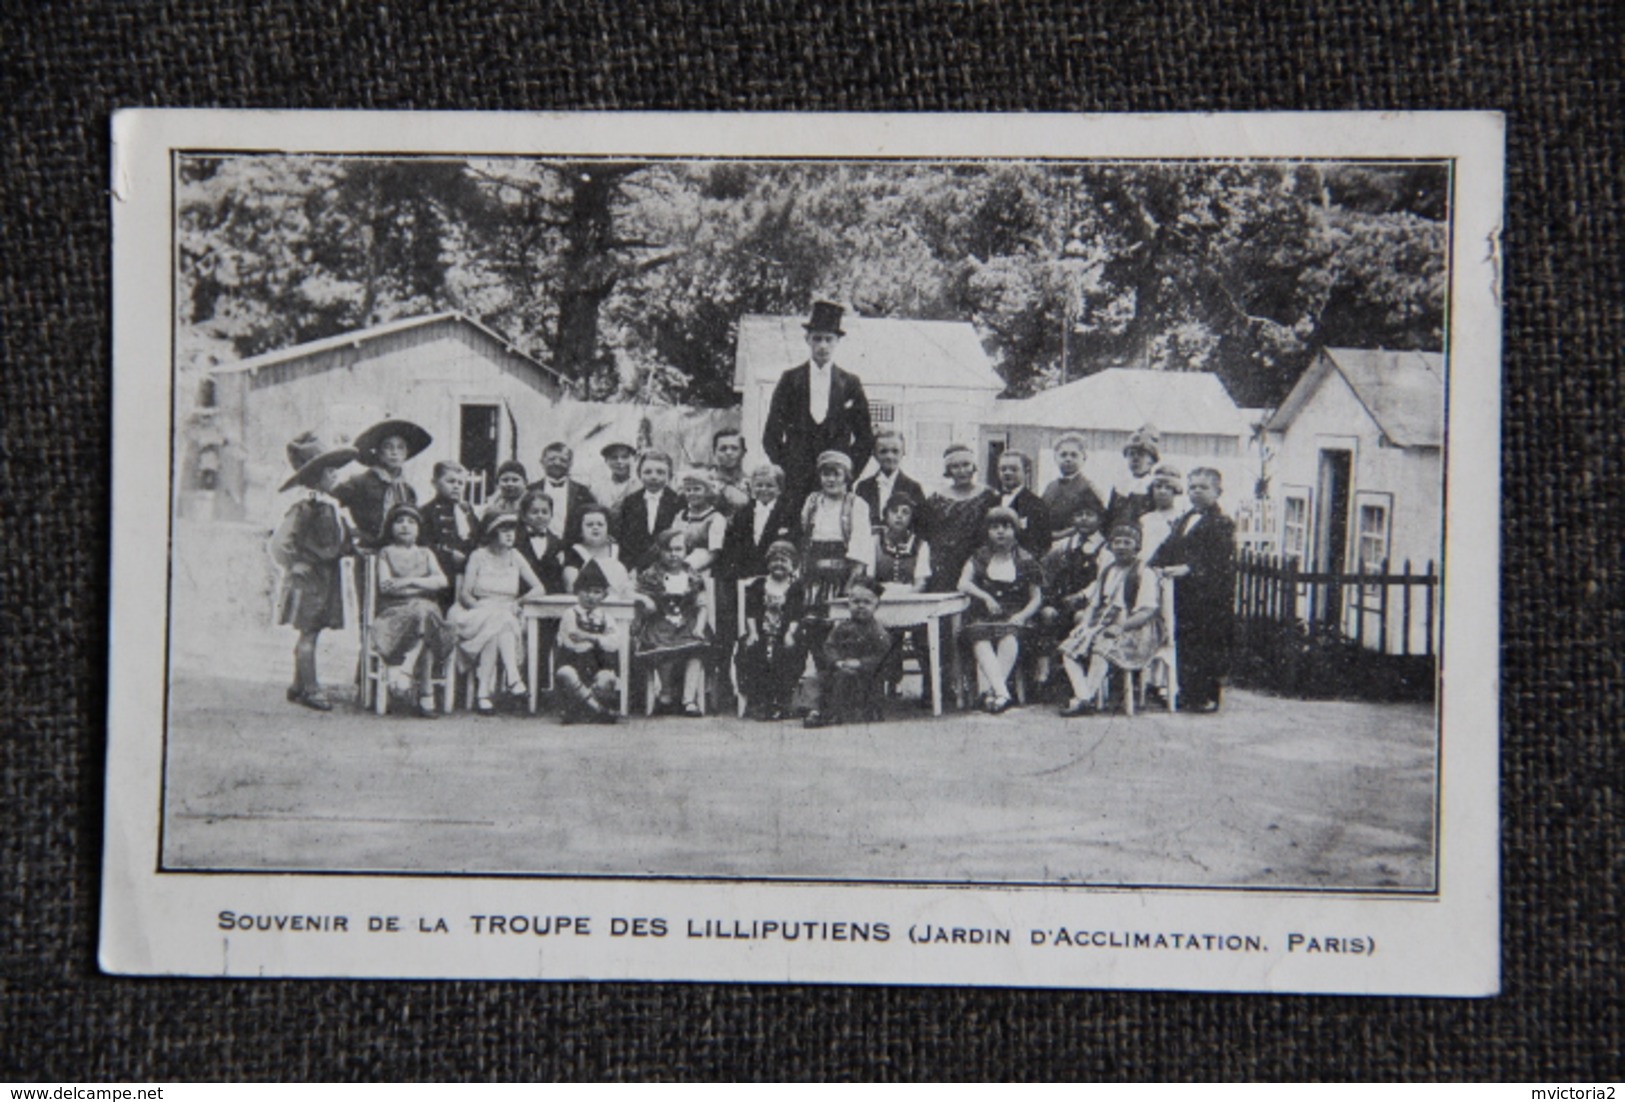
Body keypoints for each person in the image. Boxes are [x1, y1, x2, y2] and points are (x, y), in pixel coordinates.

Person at [271, 432, 357, 712]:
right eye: (330, 472)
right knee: (307, 633)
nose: (335, 477)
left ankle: (298, 684)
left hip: (326, 578)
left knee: (313, 631)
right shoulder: (305, 507)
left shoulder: (329, 507)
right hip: (308, 580)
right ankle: (310, 688)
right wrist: (294, 562)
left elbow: (339, 540)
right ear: (315, 477)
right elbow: (281, 542)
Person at [762, 300, 876, 507]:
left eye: (828, 339)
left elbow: (865, 438)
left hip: (836, 479)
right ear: (808, 340)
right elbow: (771, 434)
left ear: (837, 342)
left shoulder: (850, 383)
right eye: (817, 339)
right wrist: (786, 468)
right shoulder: (790, 380)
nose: (823, 345)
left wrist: (848, 471)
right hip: (795, 480)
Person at [1150, 467, 1237, 713]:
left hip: (1209, 595)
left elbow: (1219, 559)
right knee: (1185, 642)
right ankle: (1187, 692)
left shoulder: (1222, 523)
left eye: (1204, 487)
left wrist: (1189, 568)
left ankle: (1208, 696)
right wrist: (1153, 565)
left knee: (1206, 644)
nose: (1197, 492)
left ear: (1218, 492)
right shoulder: (1185, 518)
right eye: (1193, 487)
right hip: (1185, 593)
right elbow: (1169, 546)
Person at [1058, 523, 1164, 716]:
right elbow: (1094, 603)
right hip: (1104, 623)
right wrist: (1083, 625)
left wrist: (1121, 626)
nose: (1121, 547)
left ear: (1137, 546)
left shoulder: (1143, 573)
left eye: (1127, 542)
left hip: (1135, 628)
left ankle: (1084, 699)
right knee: (1069, 649)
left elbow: (1147, 611)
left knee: (1101, 650)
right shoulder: (1108, 571)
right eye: (1117, 542)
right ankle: (1084, 696)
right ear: (1110, 546)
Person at [369, 504, 455, 718]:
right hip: (395, 612)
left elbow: (442, 581)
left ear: (419, 528)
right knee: (425, 622)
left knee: (424, 615)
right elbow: (386, 585)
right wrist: (425, 583)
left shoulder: (425, 553)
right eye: (399, 522)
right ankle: (427, 696)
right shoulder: (386, 553)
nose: (405, 526)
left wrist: (408, 581)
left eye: (411, 522)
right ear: (391, 527)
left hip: (423, 612)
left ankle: (405, 670)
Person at [450, 512, 540, 715]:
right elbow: (465, 594)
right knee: (497, 619)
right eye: (504, 530)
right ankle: (514, 678)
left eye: (513, 530)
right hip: (476, 612)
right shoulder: (478, 556)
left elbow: (538, 588)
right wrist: (483, 609)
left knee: (498, 625)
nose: (510, 535)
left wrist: (519, 601)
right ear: (491, 532)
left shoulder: (515, 556)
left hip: (506, 613)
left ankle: (483, 695)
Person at [959, 506, 1045, 713]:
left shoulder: (1026, 560)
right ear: (987, 531)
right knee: (979, 635)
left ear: (1015, 531)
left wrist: (1022, 616)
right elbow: (962, 583)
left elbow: (1036, 598)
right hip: (985, 615)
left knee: (1009, 634)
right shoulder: (979, 557)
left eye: (1006, 527)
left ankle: (990, 693)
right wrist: (985, 596)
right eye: (994, 527)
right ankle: (1002, 693)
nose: (1000, 532)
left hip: (1015, 616)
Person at [797, 451, 875, 671]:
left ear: (846, 477)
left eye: (836, 474)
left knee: (841, 632)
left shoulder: (856, 504)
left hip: (842, 576)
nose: (830, 480)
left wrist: (852, 583)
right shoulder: (812, 502)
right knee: (813, 630)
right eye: (825, 474)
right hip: (814, 576)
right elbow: (805, 535)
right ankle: (821, 683)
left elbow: (860, 546)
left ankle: (840, 688)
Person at [633, 528, 712, 717]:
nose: (673, 554)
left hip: (688, 621)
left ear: (686, 551)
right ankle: (666, 694)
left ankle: (689, 699)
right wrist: (645, 599)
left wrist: (700, 626)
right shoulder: (651, 574)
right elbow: (630, 590)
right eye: (668, 549)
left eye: (678, 549)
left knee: (696, 649)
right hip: (661, 621)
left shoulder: (693, 575)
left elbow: (702, 604)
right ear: (659, 551)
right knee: (663, 648)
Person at [804, 581, 892, 729]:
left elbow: (881, 654)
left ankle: (831, 713)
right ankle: (814, 711)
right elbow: (829, 646)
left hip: (865, 676)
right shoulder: (842, 627)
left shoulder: (878, 631)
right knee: (813, 679)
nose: (861, 606)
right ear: (849, 604)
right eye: (856, 602)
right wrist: (836, 661)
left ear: (876, 606)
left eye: (867, 602)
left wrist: (861, 663)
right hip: (839, 667)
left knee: (845, 676)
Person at [870, 492, 932, 698]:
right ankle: (880, 688)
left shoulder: (921, 545)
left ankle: (929, 690)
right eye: (894, 512)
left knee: (923, 637)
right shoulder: (874, 542)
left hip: (910, 600)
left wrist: (907, 597)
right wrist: (884, 597)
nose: (899, 516)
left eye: (905, 512)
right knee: (881, 637)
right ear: (885, 515)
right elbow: (869, 578)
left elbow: (921, 581)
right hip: (882, 601)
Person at [735, 541, 806, 721]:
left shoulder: (796, 587)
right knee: (751, 652)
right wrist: (752, 633)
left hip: (785, 633)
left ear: (793, 565)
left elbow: (796, 614)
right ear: (768, 563)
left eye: (784, 561)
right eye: (775, 560)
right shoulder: (759, 585)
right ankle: (758, 701)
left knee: (788, 653)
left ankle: (780, 701)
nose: (779, 564)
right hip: (761, 632)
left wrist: (790, 634)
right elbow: (751, 612)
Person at [333, 419, 430, 549]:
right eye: (388, 447)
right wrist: (350, 533)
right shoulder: (361, 482)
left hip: (399, 551)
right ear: (378, 452)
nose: (394, 452)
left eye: (400, 447)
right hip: (370, 550)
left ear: (407, 453)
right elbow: (330, 502)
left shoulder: (407, 490)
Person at [553, 559, 623, 726]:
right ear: (577, 592)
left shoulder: (606, 617)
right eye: (586, 591)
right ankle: (597, 709)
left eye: (597, 592)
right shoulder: (570, 614)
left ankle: (577, 708)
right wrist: (600, 639)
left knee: (607, 677)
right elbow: (573, 642)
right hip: (573, 665)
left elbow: (614, 643)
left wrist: (589, 637)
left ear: (604, 595)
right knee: (566, 673)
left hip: (596, 667)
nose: (591, 596)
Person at [920, 444, 997, 595]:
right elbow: (927, 534)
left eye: (966, 465)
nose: (962, 471)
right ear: (948, 470)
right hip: (944, 565)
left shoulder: (989, 496)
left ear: (973, 466)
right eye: (955, 466)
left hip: (977, 563)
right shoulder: (936, 499)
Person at [717, 462, 801, 583]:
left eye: (769, 486)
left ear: (779, 489)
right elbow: (732, 546)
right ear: (752, 487)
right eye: (759, 485)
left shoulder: (788, 513)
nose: (764, 489)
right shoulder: (743, 513)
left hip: (776, 575)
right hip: (745, 575)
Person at [419, 460, 479, 599]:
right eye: (451, 482)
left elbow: (477, 537)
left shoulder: (467, 511)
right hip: (441, 572)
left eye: (460, 483)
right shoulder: (426, 512)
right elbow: (424, 544)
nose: (456, 487)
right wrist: (447, 554)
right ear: (434, 483)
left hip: (467, 574)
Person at [617, 449, 683, 570]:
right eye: (647, 472)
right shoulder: (630, 502)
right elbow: (624, 538)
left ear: (670, 475)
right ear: (639, 474)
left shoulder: (678, 501)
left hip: (669, 565)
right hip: (635, 565)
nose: (653, 477)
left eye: (660, 472)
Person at [1040, 433, 1107, 550]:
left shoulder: (1089, 488)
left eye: (1074, 455)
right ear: (1055, 458)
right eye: (1063, 455)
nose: (1068, 459)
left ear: (1083, 458)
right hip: (1046, 544)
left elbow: (1096, 523)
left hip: (1073, 546)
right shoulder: (1050, 487)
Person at [530, 442, 597, 546]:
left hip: (573, 550)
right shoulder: (531, 490)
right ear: (542, 462)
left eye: (563, 460)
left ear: (571, 463)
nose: (557, 463)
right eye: (551, 459)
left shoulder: (583, 492)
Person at [854, 429, 925, 525]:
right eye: (883, 451)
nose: (889, 456)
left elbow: (920, 524)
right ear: (874, 454)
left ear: (903, 452)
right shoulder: (864, 487)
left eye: (895, 451)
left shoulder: (914, 488)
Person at [562, 504, 632, 598]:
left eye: (600, 524)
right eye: (589, 525)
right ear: (580, 530)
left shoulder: (619, 551)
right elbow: (571, 587)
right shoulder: (575, 553)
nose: (595, 528)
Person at [992, 449, 1053, 557]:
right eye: (1003, 469)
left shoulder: (1036, 505)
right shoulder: (991, 501)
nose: (1007, 473)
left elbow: (1042, 544)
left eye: (1014, 469)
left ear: (1026, 471)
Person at [1106, 424, 1161, 531]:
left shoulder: (1154, 486)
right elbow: (1109, 517)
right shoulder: (1120, 487)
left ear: (1152, 461)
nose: (1135, 459)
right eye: (1131, 454)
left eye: (1141, 454)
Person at [515, 490, 567, 595]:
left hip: (550, 598)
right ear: (524, 516)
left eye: (545, 512)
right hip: (521, 596)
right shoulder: (515, 541)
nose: (540, 516)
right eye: (534, 512)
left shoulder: (558, 543)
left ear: (551, 515)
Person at [676, 468, 727, 574]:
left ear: (708, 491)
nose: (692, 493)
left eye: (697, 489)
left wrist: (687, 566)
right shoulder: (681, 515)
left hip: (703, 567)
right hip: (677, 560)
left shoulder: (715, 518)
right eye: (688, 490)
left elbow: (713, 552)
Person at [1138, 463, 1186, 564]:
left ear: (1175, 491)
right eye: (1158, 487)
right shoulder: (1145, 519)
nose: (1162, 491)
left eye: (1168, 488)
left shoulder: (1181, 517)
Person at [708, 429, 753, 518]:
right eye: (723, 449)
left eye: (734, 448)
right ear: (714, 452)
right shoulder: (706, 481)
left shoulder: (752, 484)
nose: (729, 453)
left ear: (743, 452)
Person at [589, 441, 639, 517]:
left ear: (633, 459)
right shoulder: (597, 489)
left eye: (625, 457)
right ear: (606, 461)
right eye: (614, 458)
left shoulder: (641, 485)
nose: (619, 461)